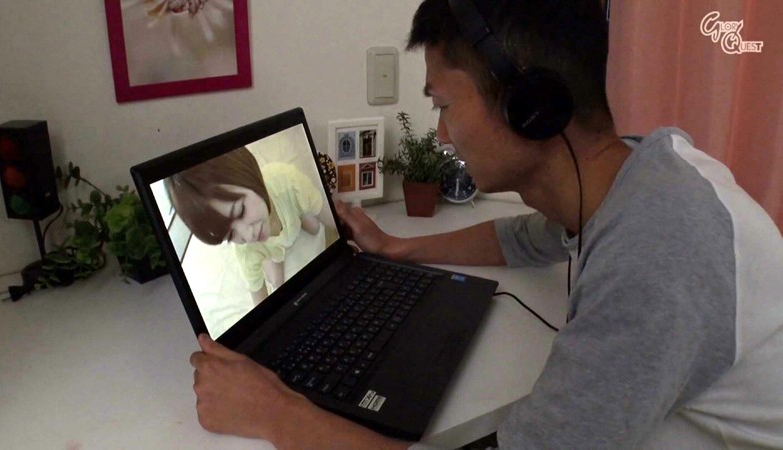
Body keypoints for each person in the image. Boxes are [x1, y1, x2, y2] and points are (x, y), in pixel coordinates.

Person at [188, 0, 783, 448]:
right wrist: (397, 248)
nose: (442, 135)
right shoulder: (639, 175)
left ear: (530, 106)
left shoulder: (656, 255)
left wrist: (276, 414)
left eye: (444, 105)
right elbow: (523, 237)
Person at [166, 147, 325, 304]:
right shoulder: (246, 250)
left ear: (251, 176)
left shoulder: (286, 181)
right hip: (272, 250)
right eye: (230, 235)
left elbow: (328, 214)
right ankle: (269, 259)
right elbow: (258, 295)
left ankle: (297, 212)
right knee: (277, 282)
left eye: (240, 210)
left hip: (290, 210)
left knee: (315, 227)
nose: (248, 236)